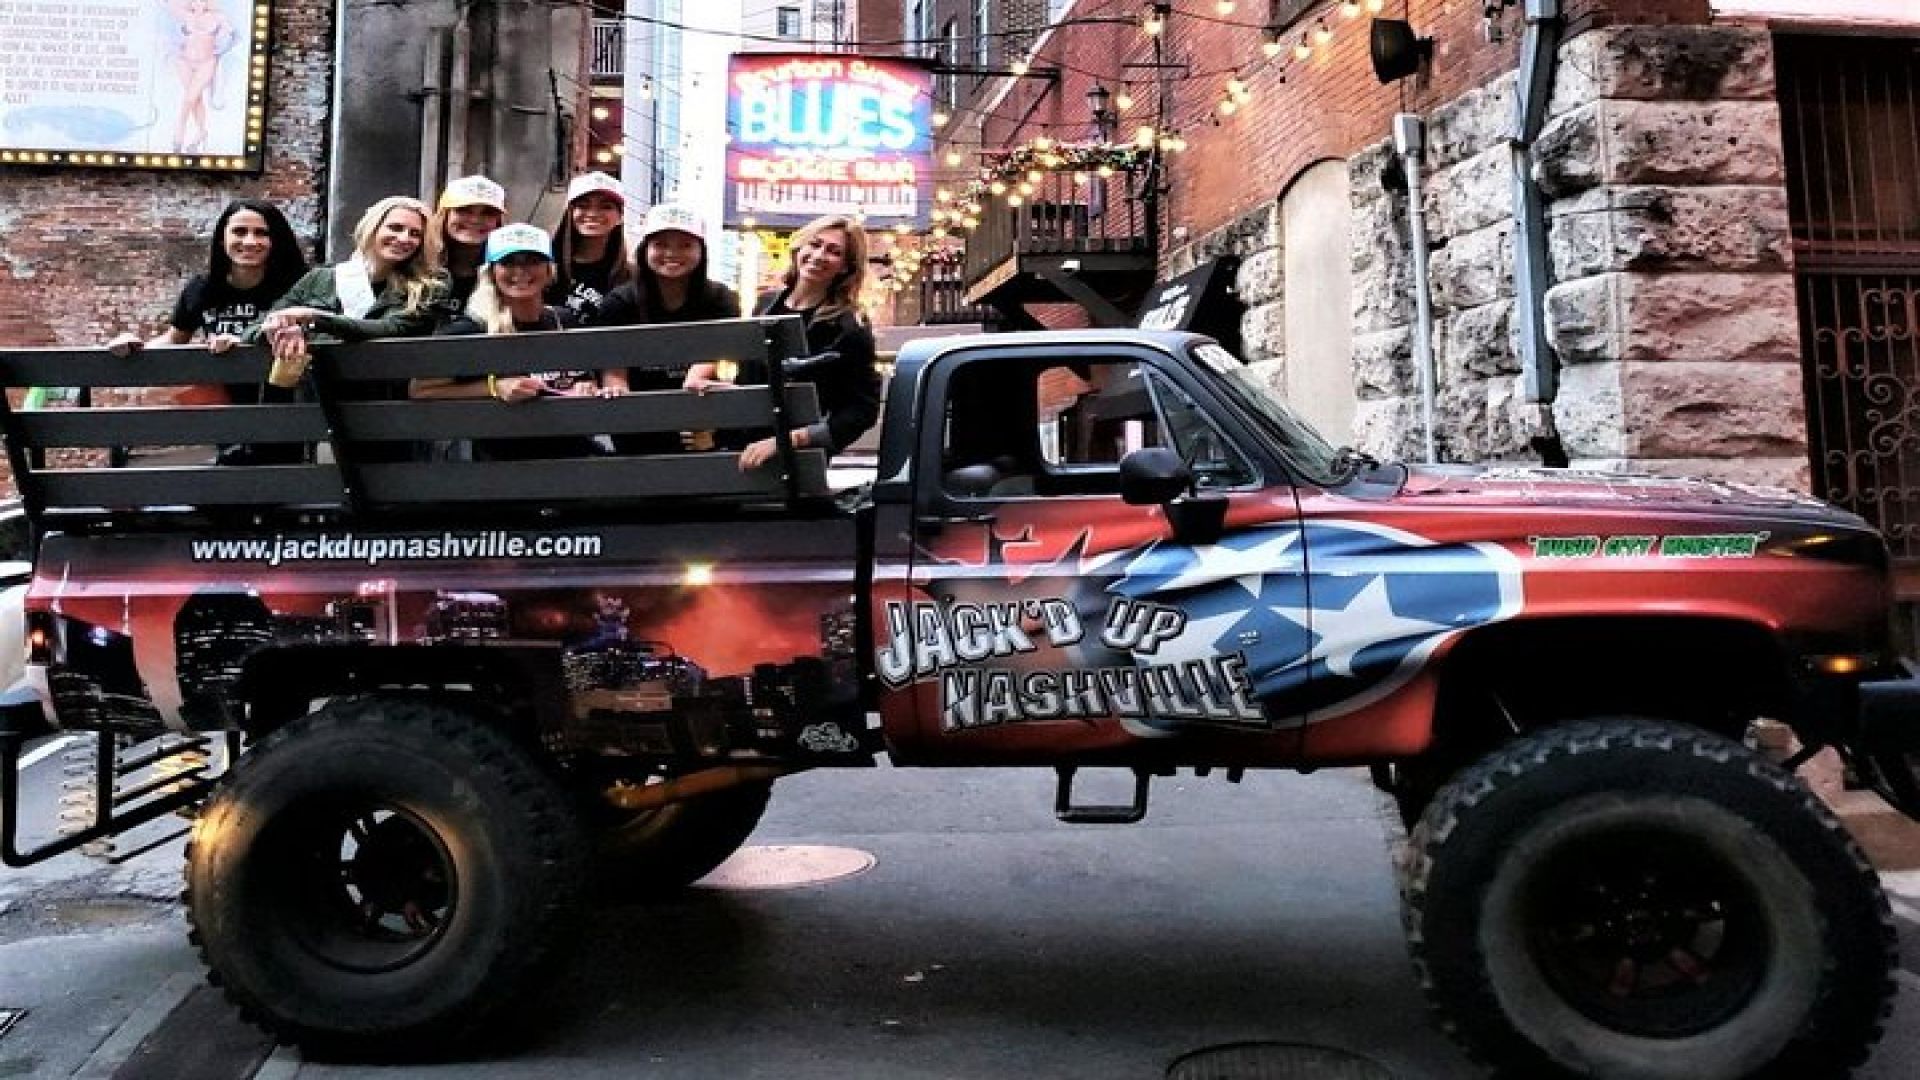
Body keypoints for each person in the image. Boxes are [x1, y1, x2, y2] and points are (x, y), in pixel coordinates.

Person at [683, 214, 879, 470]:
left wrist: (787, 441)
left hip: (798, 460)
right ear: (800, 247)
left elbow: (861, 411)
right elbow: (752, 378)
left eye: (834, 251)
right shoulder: (766, 305)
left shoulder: (849, 327)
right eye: (815, 244)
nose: (819, 255)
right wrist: (720, 394)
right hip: (740, 449)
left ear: (845, 267)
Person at [411, 223, 606, 461]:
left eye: (532, 261)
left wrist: (585, 386)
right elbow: (421, 389)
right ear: (492, 271)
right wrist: (493, 388)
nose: (521, 271)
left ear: (549, 270)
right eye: (508, 262)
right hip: (499, 467)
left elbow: (584, 377)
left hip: (572, 457)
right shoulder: (472, 328)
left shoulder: (563, 318)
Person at [247, 195, 446, 400]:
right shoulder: (321, 278)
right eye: (395, 228)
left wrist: (312, 318)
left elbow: (391, 328)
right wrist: (283, 328)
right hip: (316, 402)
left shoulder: (429, 285)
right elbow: (257, 326)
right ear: (373, 228)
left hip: (384, 403)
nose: (404, 238)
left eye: (415, 234)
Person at [108, 197, 308, 359]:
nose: (249, 241)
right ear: (222, 239)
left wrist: (244, 345)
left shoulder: (301, 286)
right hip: (222, 397)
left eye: (261, 233)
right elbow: (174, 340)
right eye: (239, 231)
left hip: (289, 398)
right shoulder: (202, 288)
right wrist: (134, 347)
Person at [585, 203, 741, 395]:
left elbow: (715, 352)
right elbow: (614, 371)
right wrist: (619, 399)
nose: (671, 253)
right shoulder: (620, 302)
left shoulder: (720, 297)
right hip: (637, 410)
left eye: (685, 245)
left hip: (701, 406)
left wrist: (696, 380)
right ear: (645, 249)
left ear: (701, 251)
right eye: (661, 244)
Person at [547, 171, 633, 321]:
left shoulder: (631, 274)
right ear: (570, 213)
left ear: (620, 217)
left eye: (605, 206)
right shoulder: (546, 266)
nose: (592, 214)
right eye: (583, 205)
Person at [162, 0, 237, 154]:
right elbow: (166, 5)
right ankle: (202, 133)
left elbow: (234, 36)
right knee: (195, 99)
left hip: (206, 62)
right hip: (185, 61)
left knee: (189, 99)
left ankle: (179, 133)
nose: (198, 2)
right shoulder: (186, 15)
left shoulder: (218, 17)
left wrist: (221, 50)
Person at [429, 175, 507, 309]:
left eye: (488, 212)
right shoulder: (417, 264)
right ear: (445, 215)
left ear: (498, 222)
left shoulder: (509, 271)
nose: (475, 220)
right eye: (464, 210)